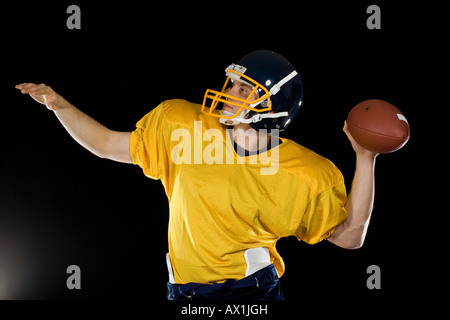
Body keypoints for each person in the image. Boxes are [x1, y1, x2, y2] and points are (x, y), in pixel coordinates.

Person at [15, 50, 377, 300]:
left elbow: (349, 238)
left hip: (252, 290)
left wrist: (365, 157)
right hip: (184, 289)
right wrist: (59, 106)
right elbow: (107, 144)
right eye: (231, 82)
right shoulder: (182, 124)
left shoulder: (308, 173)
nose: (227, 92)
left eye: (243, 88)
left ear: (273, 107)